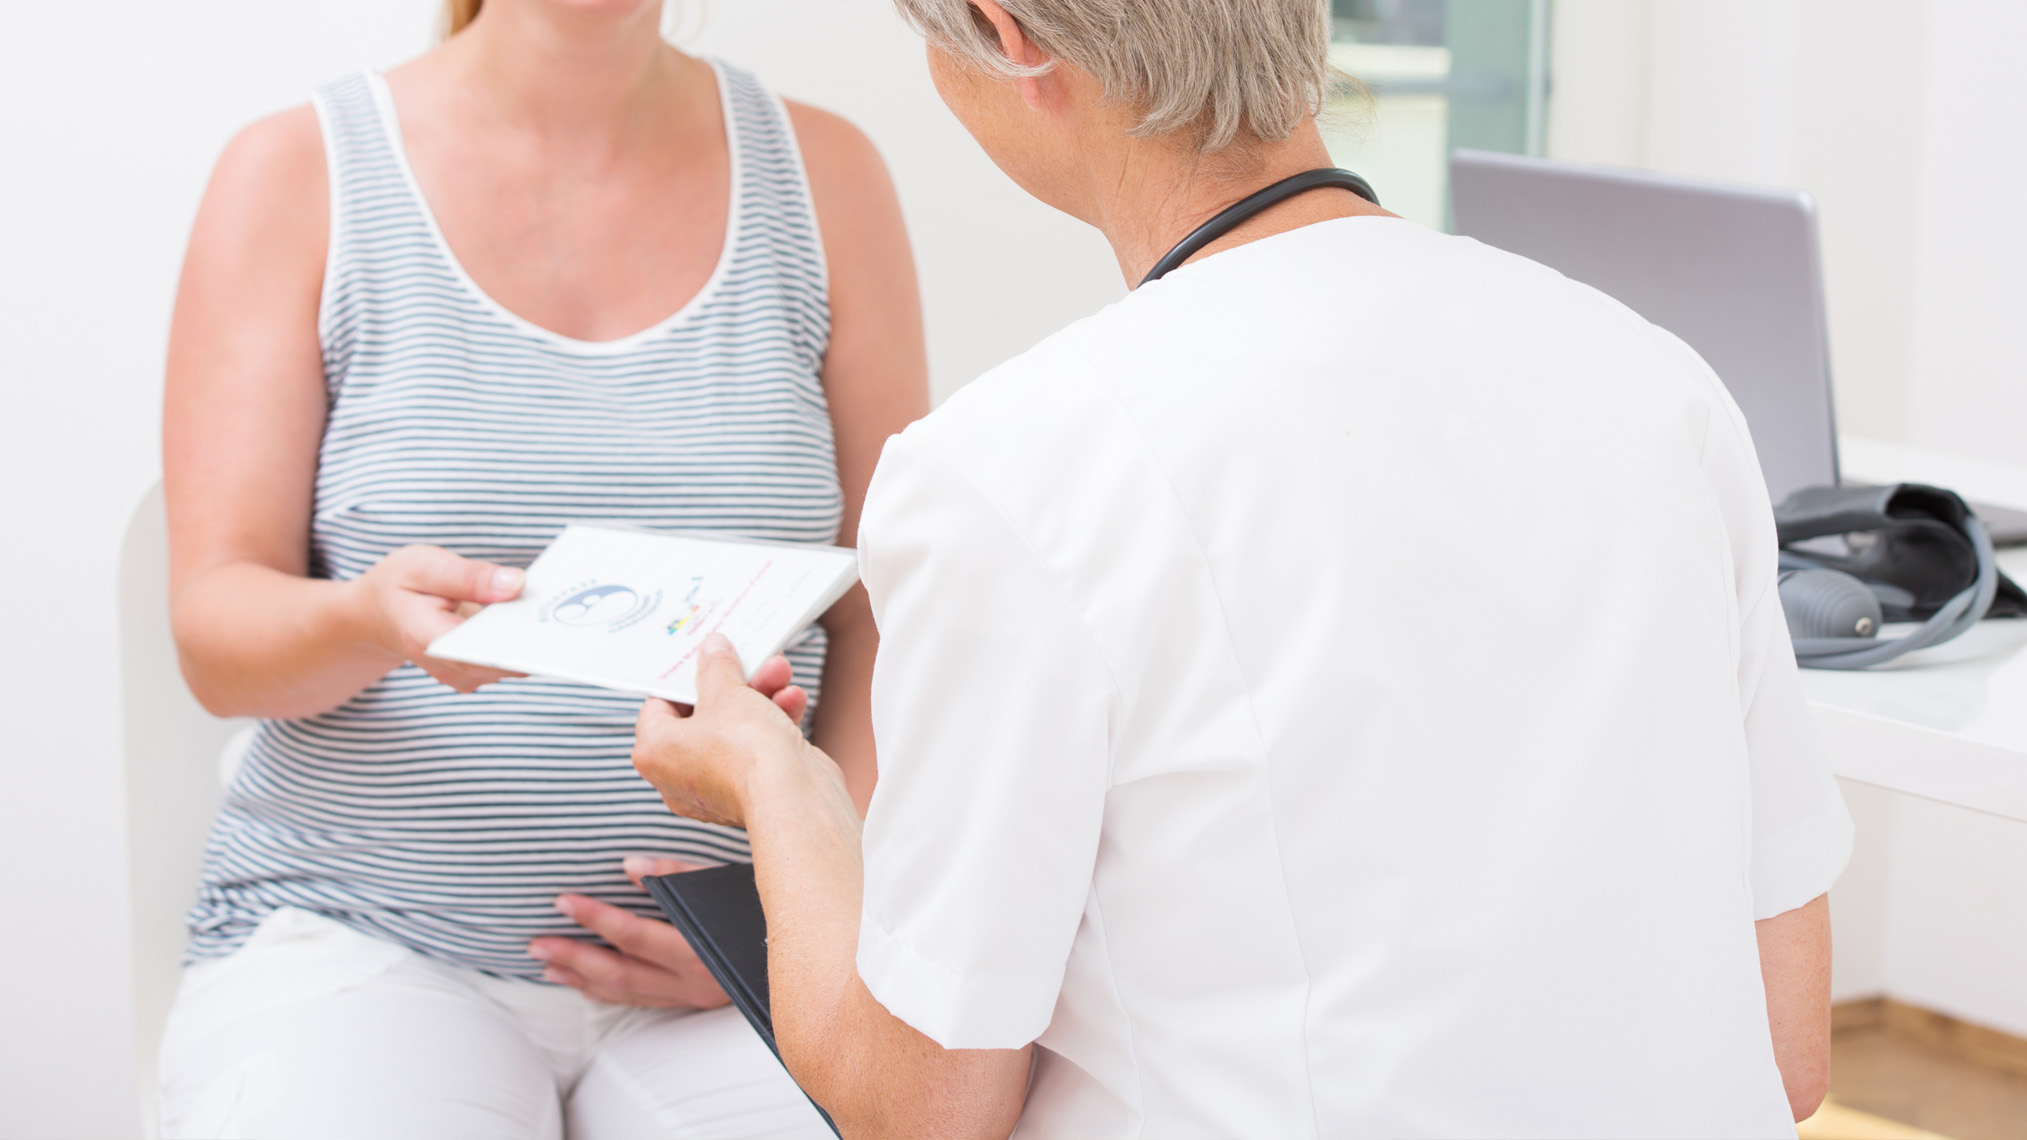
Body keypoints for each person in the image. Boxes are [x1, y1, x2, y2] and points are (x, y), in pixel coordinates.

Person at [627, 0, 1853, 1135]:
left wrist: (775, 785)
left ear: (1010, 38)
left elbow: (916, 1110)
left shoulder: (1008, 474)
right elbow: (1785, 1051)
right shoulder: (1658, 383)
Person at [156, 0, 926, 1133]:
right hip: (368, 936)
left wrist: (802, 917)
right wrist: (371, 621)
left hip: (742, 959)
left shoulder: (828, 177)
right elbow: (216, 635)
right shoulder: (295, 171)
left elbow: (883, 612)